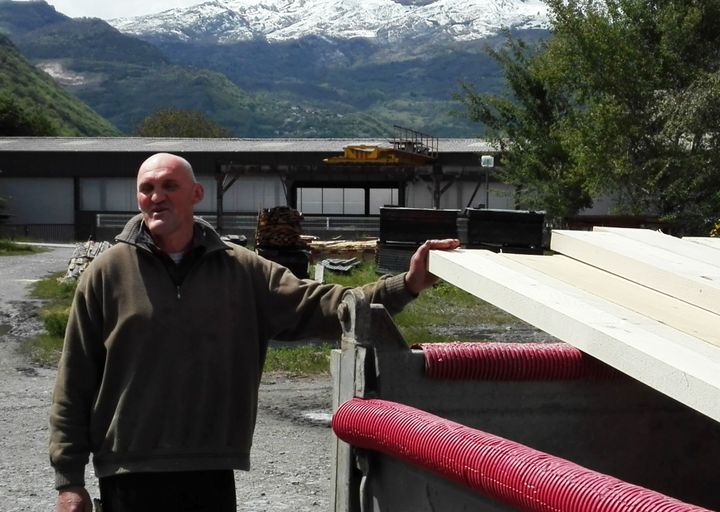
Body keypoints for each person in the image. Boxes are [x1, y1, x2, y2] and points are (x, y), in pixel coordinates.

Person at [49, 152, 460, 512]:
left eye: (169, 186)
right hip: (127, 470)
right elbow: (75, 381)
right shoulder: (105, 274)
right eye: (147, 188)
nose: (156, 197)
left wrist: (406, 284)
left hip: (209, 467)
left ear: (196, 194)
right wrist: (69, 481)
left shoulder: (242, 270)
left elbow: (322, 305)